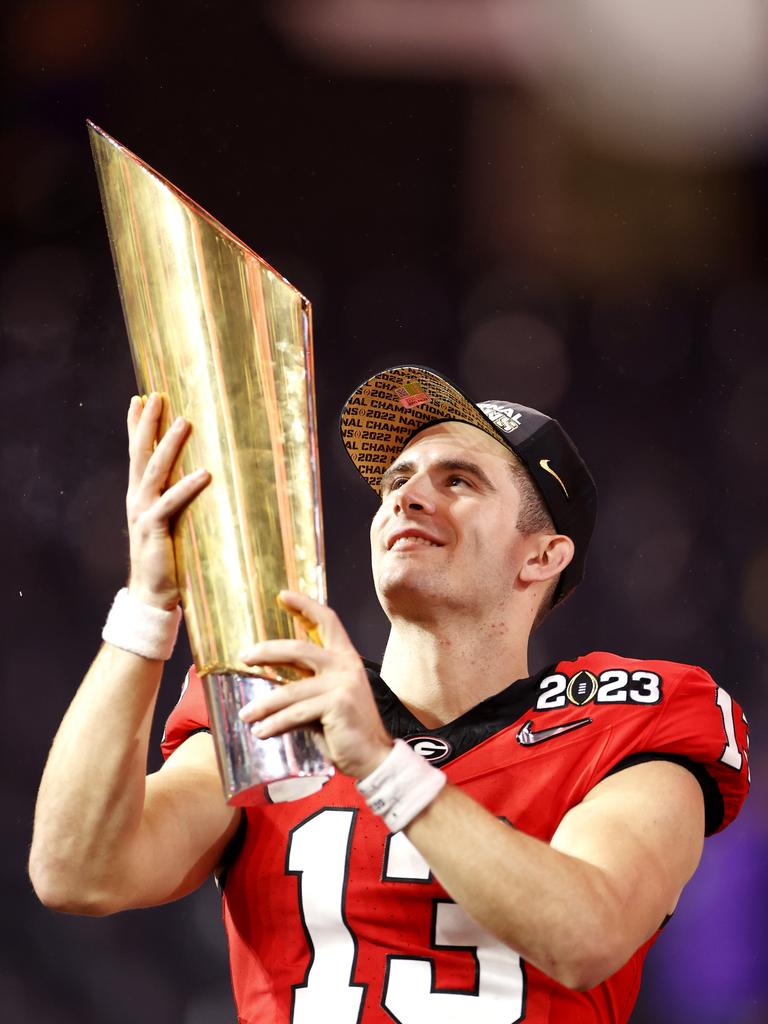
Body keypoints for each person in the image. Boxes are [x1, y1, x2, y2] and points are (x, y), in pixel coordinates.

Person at [30, 364, 750, 1023]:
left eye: (458, 480)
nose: (408, 494)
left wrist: (381, 764)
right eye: (396, 481)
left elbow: (587, 936)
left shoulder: (632, 718)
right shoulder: (283, 701)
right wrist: (148, 606)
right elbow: (78, 872)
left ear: (543, 554)